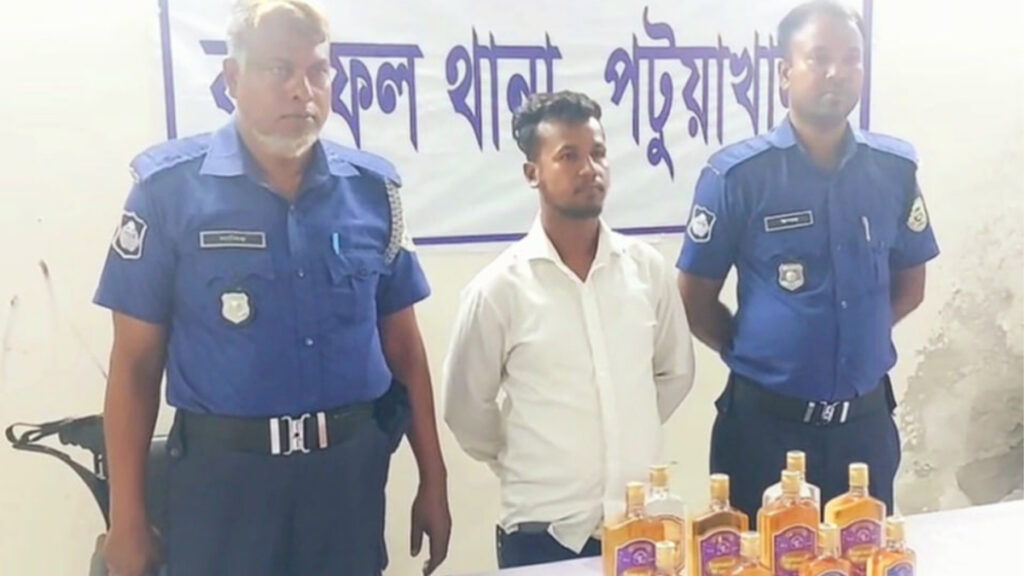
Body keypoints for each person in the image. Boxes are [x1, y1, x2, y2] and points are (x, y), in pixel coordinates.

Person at [93, 2, 451, 575]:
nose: (301, 90)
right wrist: (127, 518)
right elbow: (135, 366)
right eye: (279, 69)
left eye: (317, 71)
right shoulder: (168, 194)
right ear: (232, 78)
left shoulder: (372, 193)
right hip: (225, 487)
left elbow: (404, 350)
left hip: (346, 484)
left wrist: (434, 476)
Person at [676, 0, 939, 526]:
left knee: (865, 556)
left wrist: (853, 333)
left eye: (851, 58)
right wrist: (758, 351)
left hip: (864, 433)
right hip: (763, 432)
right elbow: (694, 298)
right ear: (784, 73)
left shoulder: (893, 171)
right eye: (819, 58)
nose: (837, 72)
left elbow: (911, 284)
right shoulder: (738, 177)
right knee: (759, 558)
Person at [442, 90, 696, 569]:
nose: (589, 169)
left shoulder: (645, 271)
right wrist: (521, 454)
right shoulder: (498, 289)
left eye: (598, 153)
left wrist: (621, 422)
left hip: (641, 527)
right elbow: (465, 409)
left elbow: (675, 373)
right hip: (543, 533)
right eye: (568, 156)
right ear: (531, 172)